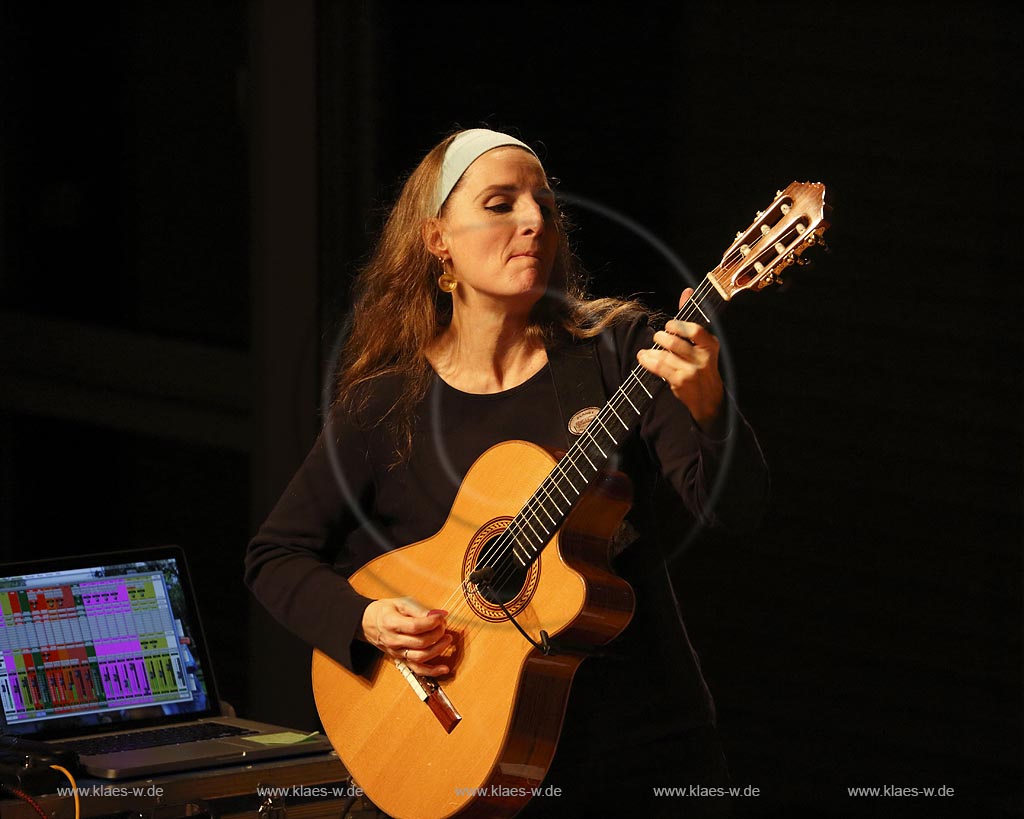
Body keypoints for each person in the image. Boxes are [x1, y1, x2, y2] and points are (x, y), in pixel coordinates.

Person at [245, 128, 769, 818]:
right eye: (501, 203)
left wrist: (712, 411)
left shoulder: (624, 357)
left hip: (641, 753)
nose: (533, 221)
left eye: (545, 206)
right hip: (469, 755)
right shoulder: (386, 403)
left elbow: (737, 510)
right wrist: (365, 617)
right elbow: (275, 556)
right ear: (438, 239)